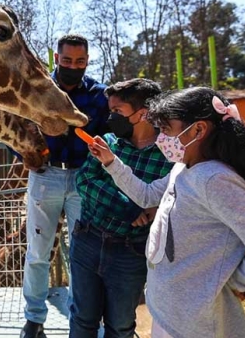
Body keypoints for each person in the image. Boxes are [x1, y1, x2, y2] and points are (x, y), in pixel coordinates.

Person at [88, 86, 245, 338]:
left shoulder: (214, 179)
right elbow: (147, 195)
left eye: (167, 130)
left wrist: (223, 278)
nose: (161, 138)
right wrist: (111, 162)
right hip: (171, 316)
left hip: (196, 326)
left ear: (198, 130)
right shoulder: (182, 168)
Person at [21, 34, 109, 338]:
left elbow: (109, 137)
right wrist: (24, 155)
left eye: (80, 62)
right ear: (56, 59)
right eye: (68, 60)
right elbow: (15, 127)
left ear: (87, 61)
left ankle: (83, 319)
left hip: (84, 178)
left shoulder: (99, 95)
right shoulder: (38, 90)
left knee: (82, 254)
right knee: (38, 252)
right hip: (45, 176)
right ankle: (34, 319)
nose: (74, 66)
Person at [69, 78, 173, 338]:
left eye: (118, 111)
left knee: (121, 325)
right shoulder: (108, 142)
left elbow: (162, 198)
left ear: (143, 113)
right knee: (82, 320)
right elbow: (84, 181)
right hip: (88, 239)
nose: (110, 117)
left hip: (131, 252)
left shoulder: (167, 155)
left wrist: (142, 206)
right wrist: (129, 209)